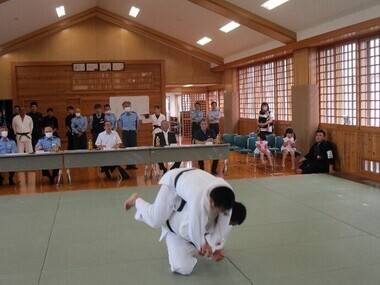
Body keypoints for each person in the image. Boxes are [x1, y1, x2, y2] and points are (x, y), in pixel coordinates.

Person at [124, 168, 236, 258]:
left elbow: (223, 224)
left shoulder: (228, 195)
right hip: (174, 182)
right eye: (214, 206)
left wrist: (214, 246)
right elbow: (195, 227)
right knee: (155, 220)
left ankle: (172, 219)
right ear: (210, 200)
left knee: (217, 217)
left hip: (192, 179)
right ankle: (136, 201)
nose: (216, 211)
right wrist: (202, 246)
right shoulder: (199, 199)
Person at [163, 201, 246, 275]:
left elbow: (220, 238)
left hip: (200, 237)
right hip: (177, 234)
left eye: (231, 224)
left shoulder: (227, 222)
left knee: (218, 236)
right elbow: (184, 231)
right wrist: (204, 245)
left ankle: (196, 249)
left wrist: (215, 249)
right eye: (229, 222)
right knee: (183, 268)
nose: (228, 225)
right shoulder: (203, 211)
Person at [119, 101, 139, 169]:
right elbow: (121, 125)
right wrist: (125, 130)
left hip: (133, 132)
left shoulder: (135, 114)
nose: (127, 107)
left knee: (133, 148)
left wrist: (135, 130)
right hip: (125, 133)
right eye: (125, 106)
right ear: (123, 107)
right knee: (126, 148)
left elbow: (137, 124)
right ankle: (128, 165)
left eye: (128, 106)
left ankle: (133, 164)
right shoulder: (122, 116)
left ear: (130, 106)